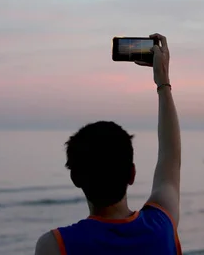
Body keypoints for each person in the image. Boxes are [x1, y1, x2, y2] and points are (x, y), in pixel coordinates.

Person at [35, 33, 182, 255]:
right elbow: (170, 158)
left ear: (76, 178)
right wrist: (163, 82)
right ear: (131, 174)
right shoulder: (161, 227)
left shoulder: (56, 246)